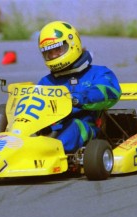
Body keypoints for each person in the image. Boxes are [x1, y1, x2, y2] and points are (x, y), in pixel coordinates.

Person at [37, 21, 121, 153]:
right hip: (52, 128)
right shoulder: (46, 82)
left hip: (87, 127)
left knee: (73, 126)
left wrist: (77, 99)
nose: (53, 56)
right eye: (49, 52)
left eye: (57, 49)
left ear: (72, 44)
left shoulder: (98, 73)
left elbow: (110, 92)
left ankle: (48, 152)